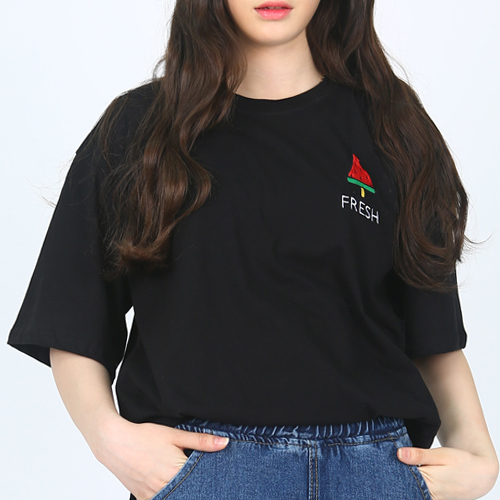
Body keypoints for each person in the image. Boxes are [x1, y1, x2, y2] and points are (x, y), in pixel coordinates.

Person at [7, 0, 499, 499]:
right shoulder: (140, 130)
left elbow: (433, 334)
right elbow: (72, 318)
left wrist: (480, 458)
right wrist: (108, 438)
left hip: (374, 471)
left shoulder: (394, 128)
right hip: (205, 471)